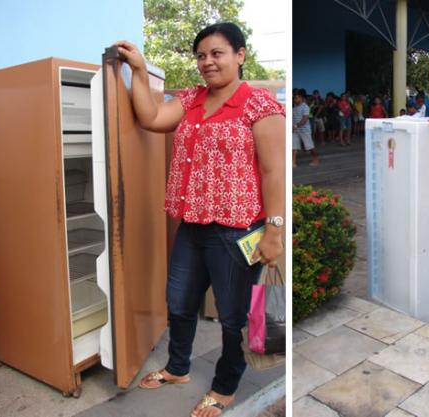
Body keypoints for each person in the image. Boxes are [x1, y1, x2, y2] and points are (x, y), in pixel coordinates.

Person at [114, 22, 285, 417]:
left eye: (217, 53)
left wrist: (274, 230)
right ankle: (178, 368)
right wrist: (139, 71)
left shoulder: (259, 105)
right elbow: (151, 118)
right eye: (201, 56)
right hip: (193, 226)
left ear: (240, 55)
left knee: (233, 317)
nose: (207, 62)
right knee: (179, 303)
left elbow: (275, 172)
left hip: (237, 230)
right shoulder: (191, 99)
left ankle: (225, 387)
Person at [293, 89, 320, 167]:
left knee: (309, 146)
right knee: (294, 146)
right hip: (295, 130)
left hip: (304, 130)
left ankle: (315, 159)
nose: (295, 99)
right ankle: (293, 161)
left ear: (301, 98)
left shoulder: (305, 107)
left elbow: (305, 119)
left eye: (296, 98)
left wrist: (296, 125)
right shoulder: (294, 107)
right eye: (294, 98)